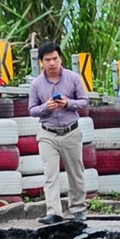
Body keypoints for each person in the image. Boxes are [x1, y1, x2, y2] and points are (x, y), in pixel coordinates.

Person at [28, 43, 89, 227]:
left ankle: (78, 209)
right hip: (48, 133)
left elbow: (85, 101)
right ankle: (53, 211)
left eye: (55, 58)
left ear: (60, 58)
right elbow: (31, 110)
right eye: (47, 60)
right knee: (50, 174)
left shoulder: (73, 78)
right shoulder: (36, 83)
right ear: (41, 62)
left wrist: (67, 103)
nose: (52, 63)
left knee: (76, 171)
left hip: (70, 130)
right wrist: (46, 107)